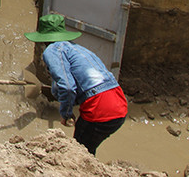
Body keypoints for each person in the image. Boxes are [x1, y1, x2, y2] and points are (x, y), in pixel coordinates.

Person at [25, 14, 127, 155]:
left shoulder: (52, 50)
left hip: (99, 107)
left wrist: (66, 114)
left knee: (79, 151)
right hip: (119, 105)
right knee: (88, 147)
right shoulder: (79, 49)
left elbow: (67, 86)